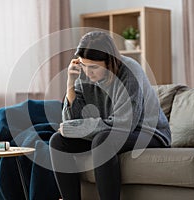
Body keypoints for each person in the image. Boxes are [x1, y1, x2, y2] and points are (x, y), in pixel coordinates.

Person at [49, 31, 171, 200]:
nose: (88, 72)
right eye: (84, 65)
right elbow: (71, 124)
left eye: (94, 67)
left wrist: (76, 128)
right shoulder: (83, 73)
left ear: (110, 62)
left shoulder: (130, 71)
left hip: (148, 132)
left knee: (103, 140)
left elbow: (125, 123)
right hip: (106, 131)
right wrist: (70, 82)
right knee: (57, 141)